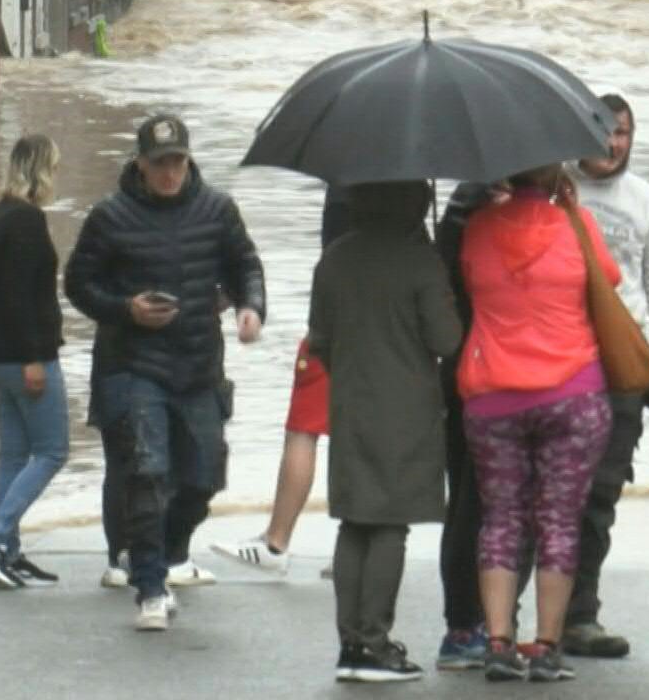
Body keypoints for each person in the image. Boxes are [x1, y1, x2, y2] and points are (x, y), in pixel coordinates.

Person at [65, 114, 266, 632]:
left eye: (177, 161)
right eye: (159, 164)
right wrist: (125, 308)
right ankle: (149, 586)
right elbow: (78, 284)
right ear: (141, 164)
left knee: (204, 476)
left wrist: (251, 307)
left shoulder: (217, 209)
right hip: (134, 365)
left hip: (199, 365)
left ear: (188, 159)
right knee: (147, 472)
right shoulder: (110, 216)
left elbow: (245, 263)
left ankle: (164, 551)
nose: (169, 173)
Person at [458, 166, 619, 683]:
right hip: (571, 391)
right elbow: (608, 279)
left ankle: (500, 642)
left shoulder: (479, 227)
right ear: (554, 176)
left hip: (492, 395)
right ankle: (547, 646)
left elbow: (466, 279)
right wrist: (569, 209)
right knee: (559, 519)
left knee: (501, 518)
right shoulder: (577, 223)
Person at [308, 182, 465, 683]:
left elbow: (321, 340)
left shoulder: (334, 258)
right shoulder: (420, 263)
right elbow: (446, 338)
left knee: (354, 522)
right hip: (407, 409)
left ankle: (350, 642)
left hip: (350, 403)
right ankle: (375, 643)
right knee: (390, 525)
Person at [563, 93, 649, 658]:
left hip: (624, 365)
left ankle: (580, 616)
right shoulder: (550, 191)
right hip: (561, 361)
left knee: (599, 496)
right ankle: (514, 619)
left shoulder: (644, 200)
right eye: (605, 131)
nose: (614, 144)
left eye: (624, 133)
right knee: (544, 496)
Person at [211, 188, 353, 578]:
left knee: (303, 431)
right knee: (361, 432)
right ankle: (355, 548)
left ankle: (277, 540)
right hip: (392, 333)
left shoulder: (347, 185)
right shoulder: (409, 186)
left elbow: (335, 258)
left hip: (338, 324)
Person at [0, 134, 70, 590]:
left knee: (12, 455)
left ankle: (6, 552)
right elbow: (22, 298)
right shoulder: (25, 222)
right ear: (41, 170)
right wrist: (33, 358)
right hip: (25, 357)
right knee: (51, 451)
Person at [430, 180, 510, 669]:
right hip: (490, 371)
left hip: (459, 368)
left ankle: (467, 622)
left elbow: (442, 296)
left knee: (465, 498)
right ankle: (472, 622)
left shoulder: (458, 212)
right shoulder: (485, 217)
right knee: (478, 504)